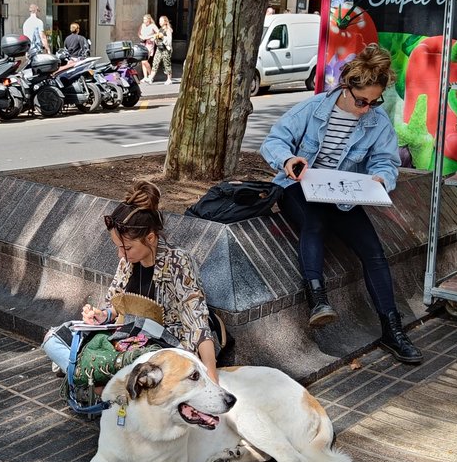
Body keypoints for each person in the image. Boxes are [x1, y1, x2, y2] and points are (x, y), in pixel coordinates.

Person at [260, 43, 421, 364]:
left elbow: (387, 163)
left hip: (342, 194)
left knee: (374, 252)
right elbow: (274, 141)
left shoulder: (377, 122)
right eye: (362, 101)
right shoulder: (314, 108)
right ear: (345, 87)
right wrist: (289, 159)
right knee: (315, 222)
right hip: (298, 187)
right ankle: (318, 301)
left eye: (375, 102)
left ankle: (392, 330)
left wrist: (380, 178)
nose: (367, 108)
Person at [42, 181, 220, 382]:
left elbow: (198, 324)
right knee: (53, 339)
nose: (121, 255)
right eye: (118, 247)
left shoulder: (177, 262)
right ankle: (92, 379)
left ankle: (86, 377)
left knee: (134, 364)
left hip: (159, 346)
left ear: (150, 238)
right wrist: (103, 314)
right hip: (124, 338)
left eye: (127, 248)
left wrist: (211, 377)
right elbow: (116, 307)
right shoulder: (128, 262)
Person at [151, 16, 174, 83]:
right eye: (159, 21)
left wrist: (163, 37)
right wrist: (155, 37)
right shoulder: (160, 29)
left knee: (166, 64)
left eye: (161, 21)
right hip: (159, 48)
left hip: (166, 49)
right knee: (155, 62)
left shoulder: (168, 30)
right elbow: (157, 38)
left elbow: (169, 41)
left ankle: (169, 79)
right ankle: (151, 78)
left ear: (165, 21)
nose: (160, 22)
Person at [138, 13, 159, 83]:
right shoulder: (142, 25)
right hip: (143, 43)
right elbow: (139, 33)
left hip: (149, 44)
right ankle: (145, 77)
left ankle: (151, 75)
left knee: (145, 60)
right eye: (143, 19)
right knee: (142, 61)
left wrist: (151, 37)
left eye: (145, 19)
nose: (144, 21)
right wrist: (141, 37)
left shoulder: (152, 26)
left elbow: (158, 33)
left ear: (149, 20)